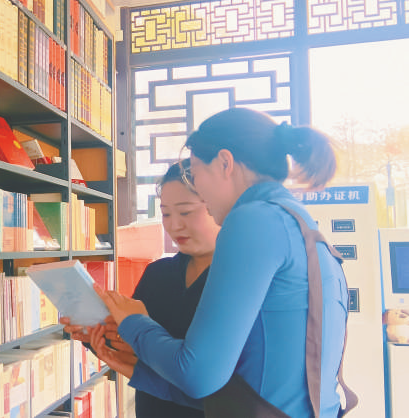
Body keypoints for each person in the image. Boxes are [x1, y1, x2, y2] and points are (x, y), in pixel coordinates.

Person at [91, 108, 358, 418]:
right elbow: (252, 387)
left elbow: (198, 375)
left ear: (225, 163)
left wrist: (134, 321)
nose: (200, 191)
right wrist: (138, 369)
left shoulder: (253, 219)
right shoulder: (298, 221)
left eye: (195, 173)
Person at [61, 160, 220, 417]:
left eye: (186, 212)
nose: (174, 225)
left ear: (218, 206)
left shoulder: (237, 282)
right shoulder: (157, 273)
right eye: (166, 214)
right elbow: (131, 346)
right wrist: (96, 333)